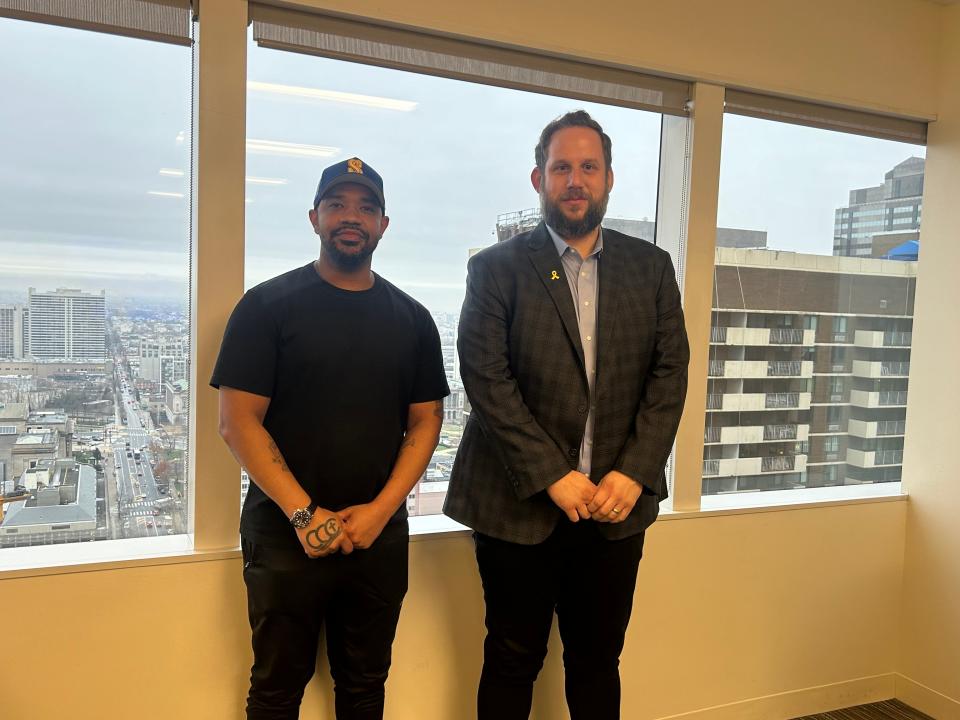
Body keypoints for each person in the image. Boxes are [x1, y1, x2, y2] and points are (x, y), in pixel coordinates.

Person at [445, 111, 689, 720]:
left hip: (615, 505)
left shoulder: (651, 268)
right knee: (510, 657)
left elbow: (669, 376)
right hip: (517, 504)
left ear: (610, 179)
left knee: (597, 660)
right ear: (538, 179)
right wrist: (553, 475)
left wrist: (632, 473)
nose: (575, 180)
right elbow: (487, 380)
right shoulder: (496, 268)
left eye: (588, 167)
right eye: (561, 168)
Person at [212, 157, 449, 720]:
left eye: (366, 208)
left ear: (383, 225)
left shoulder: (413, 319)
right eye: (338, 205)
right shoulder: (266, 307)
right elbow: (236, 420)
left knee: (365, 687)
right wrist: (304, 515)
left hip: (379, 538)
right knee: (275, 689)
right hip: (283, 533)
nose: (352, 217)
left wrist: (379, 513)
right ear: (314, 217)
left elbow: (426, 421)